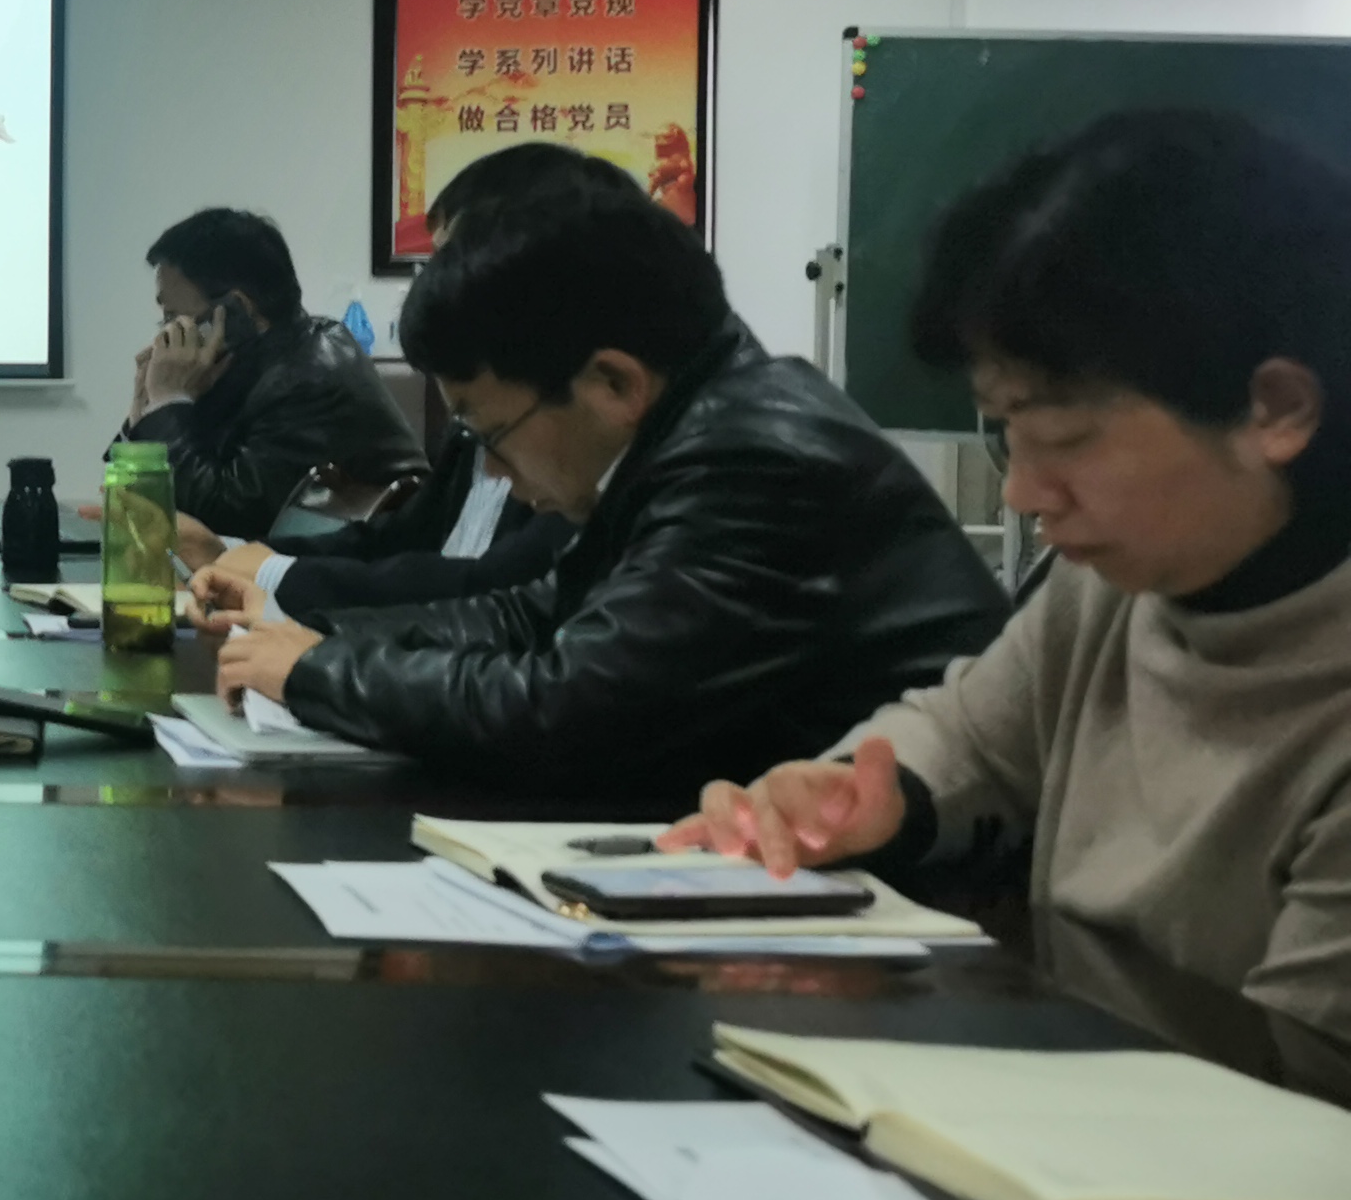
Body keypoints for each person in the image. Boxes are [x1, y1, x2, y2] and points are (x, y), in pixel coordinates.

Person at [670, 111, 1351, 1040]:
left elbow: (1306, 1078)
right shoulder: (1117, 585)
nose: (1025, 493)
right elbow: (970, 734)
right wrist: (853, 796)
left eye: (1066, 437)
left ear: (1275, 409)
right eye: (1007, 433)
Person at [222, 179, 1006, 804]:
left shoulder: (756, 461)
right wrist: (311, 632)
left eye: (493, 433)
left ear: (613, 384)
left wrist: (314, 672)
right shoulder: (694, 421)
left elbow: (566, 715)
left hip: (932, 905)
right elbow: (530, 613)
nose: (492, 473)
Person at [187, 146, 630, 628]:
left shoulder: (578, 426)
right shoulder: (482, 410)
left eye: (449, 262)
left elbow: (492, 592)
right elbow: (397, 540)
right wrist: (238, 554)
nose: (433, 285)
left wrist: (275, 579)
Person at [123, 208, 423, 541]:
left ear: (235, 309)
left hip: (376, 566)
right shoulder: (241, 366)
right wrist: (145, 412)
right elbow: (132, 505)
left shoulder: (309, 378)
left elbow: (224, 520)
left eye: (174, 319)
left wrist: (167, 404)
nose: (165, 338)